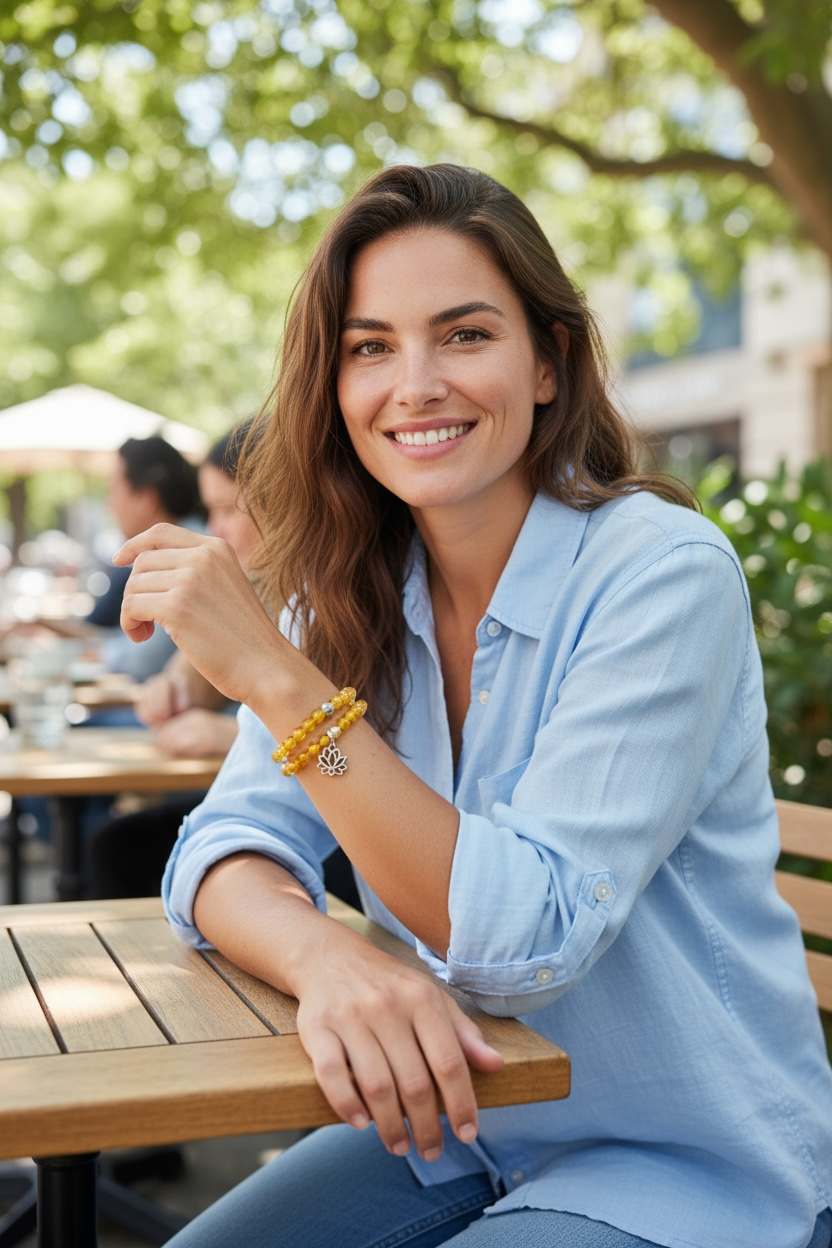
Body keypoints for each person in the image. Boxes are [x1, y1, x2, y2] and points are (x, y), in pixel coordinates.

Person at [113, 165, 832, 1248]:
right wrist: (329, 960)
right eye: (370, 347)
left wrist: (271, 674)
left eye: (463, 335)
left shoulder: (658, 573)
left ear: (547, 363)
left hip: (684, 1161)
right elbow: (223, 848)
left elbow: (521, 939)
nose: (415, 384)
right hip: (456, 1117)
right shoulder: (352, 585)